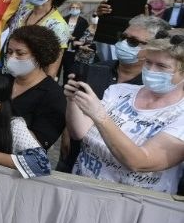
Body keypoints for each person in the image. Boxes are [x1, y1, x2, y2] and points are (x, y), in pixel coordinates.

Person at [65, 35, 184, 193]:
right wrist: (73, 99)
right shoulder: (119, 91)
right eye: (148, 62)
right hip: (82, 188)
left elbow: (139, 162)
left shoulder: (180, 114)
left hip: (130, 205)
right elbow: (79, 133)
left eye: (162, 66)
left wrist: (100, 116)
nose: (151, 70)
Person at [55, 13, 171, 172]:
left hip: (119, 171)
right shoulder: (95, 69)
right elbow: (74, 104)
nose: (123, 43)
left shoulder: (154, 87)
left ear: (153, 48)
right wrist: (67, 132)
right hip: (77, 159)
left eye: (133, 42)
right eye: (123, 37)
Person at [4, 0, 72, 78]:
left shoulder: (58, 26)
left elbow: (51, 71)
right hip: (8, 77)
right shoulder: (23, 10)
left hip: (30, 85)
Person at [5, 25, 66, 149]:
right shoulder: (1, 80)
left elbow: (38, 144)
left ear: (39, 56)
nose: (12, 58)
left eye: (20, 53)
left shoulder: (54, 96)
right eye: (10, 52)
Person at [60, 2, 89, 83]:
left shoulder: (83, 22)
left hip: (73, 50)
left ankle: (65, 88)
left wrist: (77, 40)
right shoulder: (64, 19)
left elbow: (86, 36)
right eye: (73, 7)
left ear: (80, 10)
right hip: (61, 48)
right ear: (69, 9)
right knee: (57, 69)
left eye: (77, 8)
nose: (74, 9)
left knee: (68, 71)